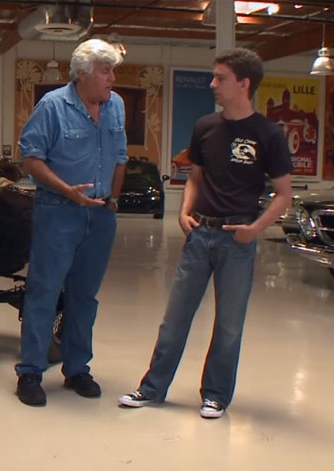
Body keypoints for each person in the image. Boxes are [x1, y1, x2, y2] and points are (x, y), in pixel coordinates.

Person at [118, 48, 292, 419]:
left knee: (229, 325)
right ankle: (152, 388)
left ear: (244, 83)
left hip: (237, 240)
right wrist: (183, 211)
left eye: (220, 78)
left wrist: (256, 229)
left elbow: (284, 194)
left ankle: (215, 395)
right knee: (175, 318)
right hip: (199, 235)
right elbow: (195, 177)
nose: (213, 84)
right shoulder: (205, 127)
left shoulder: (268, 134)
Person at [15, 39, 128, 406]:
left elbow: (121, 156)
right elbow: (31, 158)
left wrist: (112, 200)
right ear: (83, 74)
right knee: (44, 292)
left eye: (112, 71)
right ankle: (30, 372)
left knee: (84, 295)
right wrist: (68, 191)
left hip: (100, 216)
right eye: (106, 72)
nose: (112, 79)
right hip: (58, 212)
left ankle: (77, 368)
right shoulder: (52, 106)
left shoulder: (116, 106)